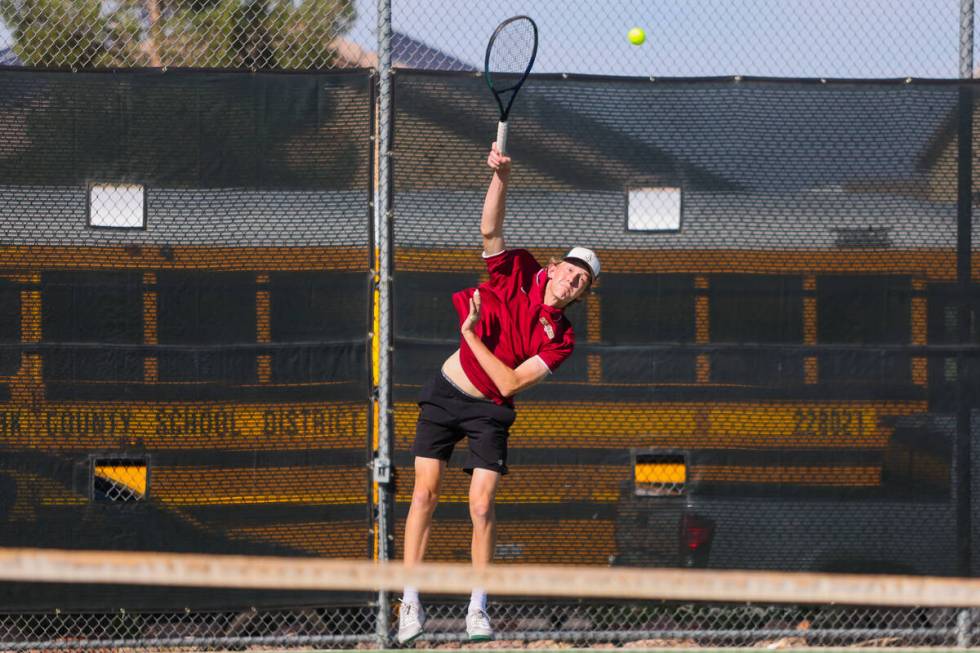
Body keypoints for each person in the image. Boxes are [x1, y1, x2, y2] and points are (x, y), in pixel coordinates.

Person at [396, 143, 600, 644]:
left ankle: (478, 607)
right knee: (423, 493)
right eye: (572, 270)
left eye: (583, 283)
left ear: (581, 296)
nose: (574, 282)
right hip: (446, 393)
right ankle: (409, 601)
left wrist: (468, 336)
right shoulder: (517, 269)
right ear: (553, 267)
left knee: (482, 506)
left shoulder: (563, 339)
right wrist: (502, 177)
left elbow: (508, 382)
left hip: (490, 411)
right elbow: (489, 230)